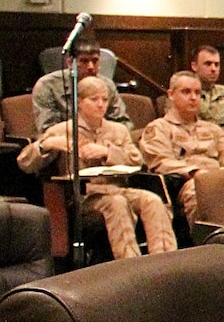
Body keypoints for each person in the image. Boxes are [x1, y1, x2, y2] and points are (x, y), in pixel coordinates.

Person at [19, 75, 176, 259]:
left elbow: (137, 160)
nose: (101, 104)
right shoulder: (62, 130)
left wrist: (107, 153)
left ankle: (165, 260)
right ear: (79, 102)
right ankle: (130, 265)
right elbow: (25, 163)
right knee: (116, 203)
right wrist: (46, 145)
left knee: (152, 200)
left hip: (117, 188)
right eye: (94, 100)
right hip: (84, 196)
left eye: (104, 99)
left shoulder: (118, 130)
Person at [139, 70, 224, 222]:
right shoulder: (159, 128)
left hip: (220, 177)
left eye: (198, 93)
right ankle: (208, 242)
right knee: (200, 191)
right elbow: (160, 162)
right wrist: (195, 172)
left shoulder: (213, 129)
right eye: (186, 92)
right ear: (171, 95)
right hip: (186, 183)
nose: (193, 98)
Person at [33, 35, 132, 132]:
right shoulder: (47, 85)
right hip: (62, 142)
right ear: (70, 63)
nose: (90, 67)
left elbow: (123, 122)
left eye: (95, 61)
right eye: (84, 61)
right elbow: (47, 128)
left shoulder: (107, 85)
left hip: (102, 140)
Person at [191, 45, 224, 127]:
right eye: (208, 64)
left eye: (216, 64)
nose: (213, 69)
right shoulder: (186, 92)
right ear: (194, 66)